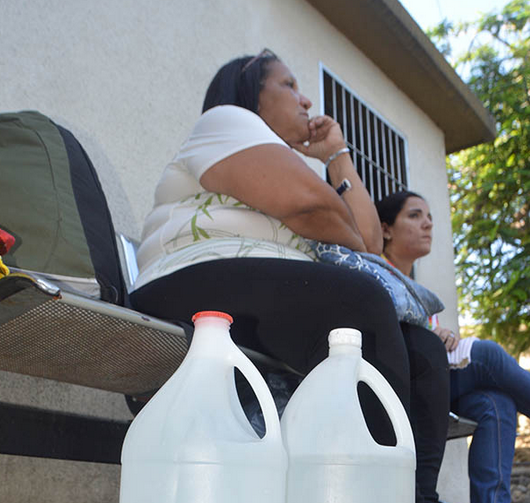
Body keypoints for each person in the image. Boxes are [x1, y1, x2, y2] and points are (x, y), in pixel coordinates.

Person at [131, 49, 449, 502]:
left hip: (266, 296)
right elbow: (314, 208)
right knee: (357, 304)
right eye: (288, 85)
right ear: (251, 97)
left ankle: (411, 493)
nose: (305, 101)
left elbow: (369, 241)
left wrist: (337, 156)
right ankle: (374, 493)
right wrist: (341, 221)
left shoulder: (292, 161)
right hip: (186, 281)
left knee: (425, 348)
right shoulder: (226, 121)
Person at [376, 190, 530, 503]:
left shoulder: (418, 291)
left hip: (435, 381)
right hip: (402, 376)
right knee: (485, 354)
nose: (428, 225)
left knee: (495, 402)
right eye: (415, 215)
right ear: (386, 228)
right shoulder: (375, 271)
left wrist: (439, 337)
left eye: (430, 217)